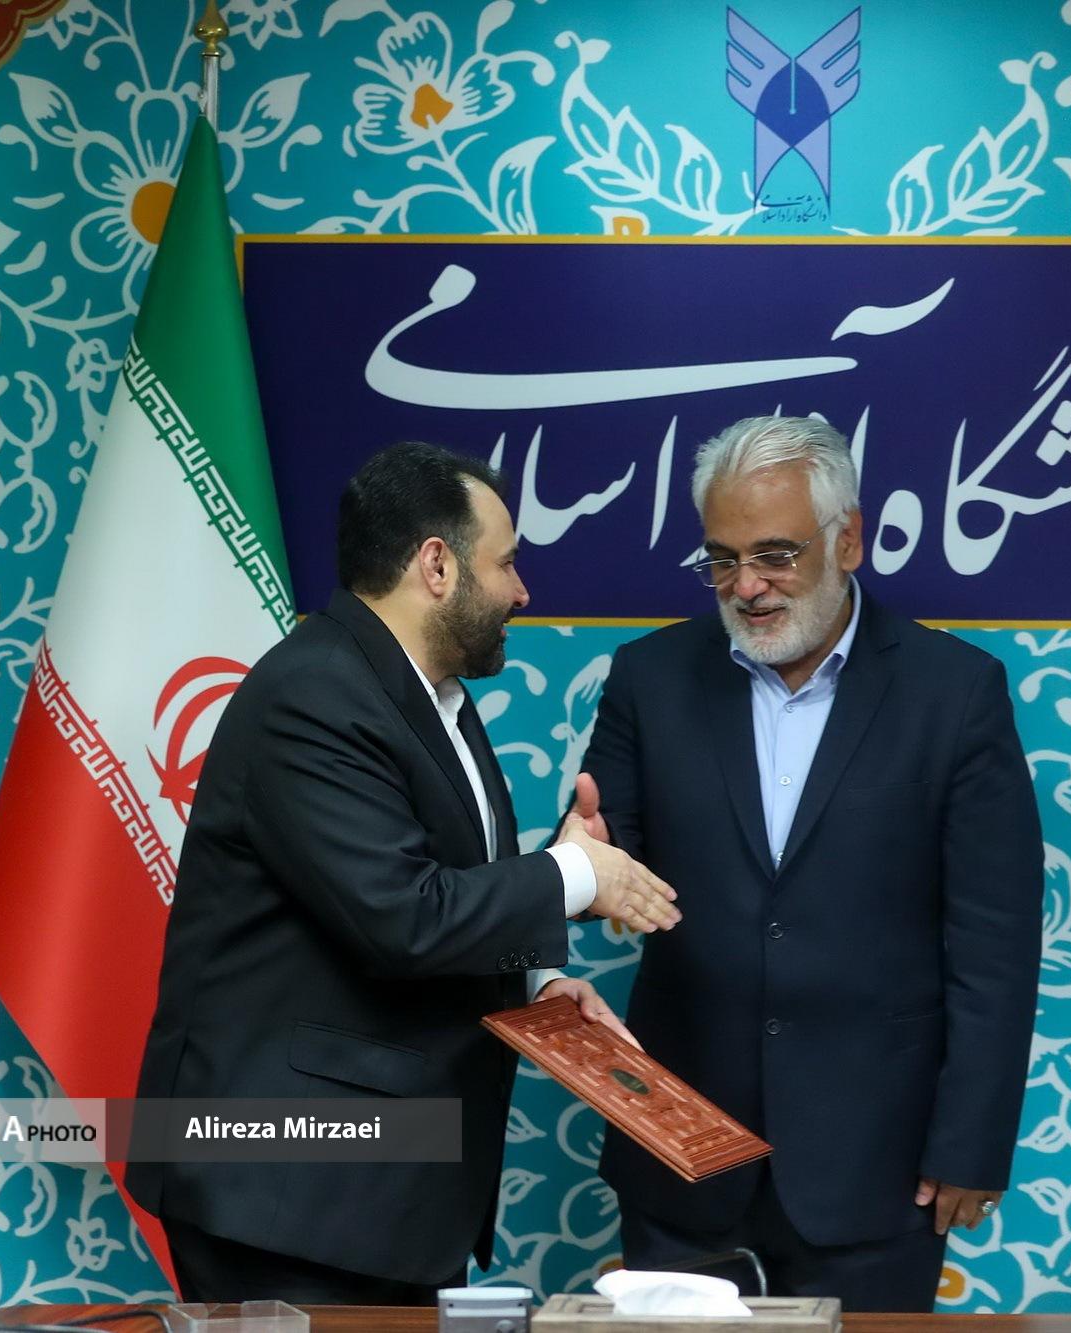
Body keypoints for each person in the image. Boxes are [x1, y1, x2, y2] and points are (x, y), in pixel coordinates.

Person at [129, 442, 681, 1303]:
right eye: (506, 562)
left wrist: (533, 982)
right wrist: (574, 874)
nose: (521, 590)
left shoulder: (431, 696)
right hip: (288, 1199)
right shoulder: (314, 694)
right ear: (436, 565)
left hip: (380, 1198)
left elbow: (432, 885)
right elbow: (403, 916)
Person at [571, 415, 1042, 1312]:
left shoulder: (955, 692)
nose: (746, 586)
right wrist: (585, 861)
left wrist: (973, 1141)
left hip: (878, 1169)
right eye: (721, 559)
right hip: (682, 1153)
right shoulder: (649, 676)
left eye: (775, 555)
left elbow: (997, 940)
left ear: (848, 539)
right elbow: (607, 848)